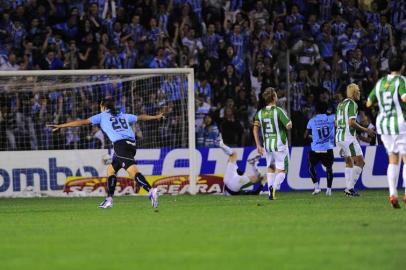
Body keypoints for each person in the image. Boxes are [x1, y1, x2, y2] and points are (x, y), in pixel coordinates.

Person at [48, 97, 164, 209]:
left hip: (121, 145)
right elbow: (140, 117)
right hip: (131, 145)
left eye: (100, 107)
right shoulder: (122, 115)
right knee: (111, 170)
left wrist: (62, 126)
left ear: (103, 107)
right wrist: (155, 117)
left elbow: (83, 122)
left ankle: (151, 190)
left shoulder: (102, 116)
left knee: (132, 172)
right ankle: (109, 199)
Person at [366, 57, 406, 209]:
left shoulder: (381, 82)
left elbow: (368, 103)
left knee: (393, 159)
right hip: (400, 124)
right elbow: (404, 97)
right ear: (402, 67)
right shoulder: (401, 81)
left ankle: (393, 193)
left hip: (383, 124)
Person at [335, 83, 375, 197]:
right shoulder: (352, 104)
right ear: (353, 92)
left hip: (339, 137)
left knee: (349, 162)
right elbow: (351, 123)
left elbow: (336, 122)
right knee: (361, 162)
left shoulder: (340, 104)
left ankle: (349, 189)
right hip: (348, 138)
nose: (359, 93)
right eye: (358, 91)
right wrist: (366, 130)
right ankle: (350, 188)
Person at [253, 87, 292, 200]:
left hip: (267, 145)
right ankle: (274, 187)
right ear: (274, 97)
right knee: (282, 170)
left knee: (270, 167)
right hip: (279, 144)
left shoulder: (260, 113)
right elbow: (289, 125)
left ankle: (270, 192)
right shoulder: (278, 111)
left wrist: (258, 145)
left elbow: (255, 129)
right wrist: (288, 122)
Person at [304, 102, 335, 196]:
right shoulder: (331, 118)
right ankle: (329, 190)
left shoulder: (312, 121)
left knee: (311, 166)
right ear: (326, 109)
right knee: (329, 168)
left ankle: (316, 187)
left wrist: (313, 137)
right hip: (328, 148)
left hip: (315, 149)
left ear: (316, 110)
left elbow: (305, 135)